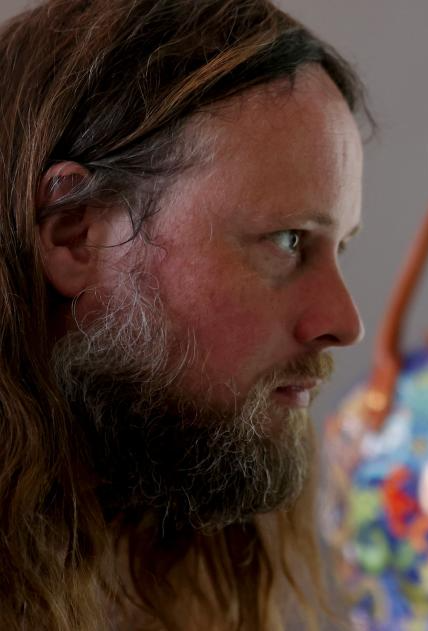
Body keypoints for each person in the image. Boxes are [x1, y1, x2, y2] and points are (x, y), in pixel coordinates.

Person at [0, 0, 370, 628]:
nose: (344, 323)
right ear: (74, 235)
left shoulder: (171, 533)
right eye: (288, 240)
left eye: (342, 248)